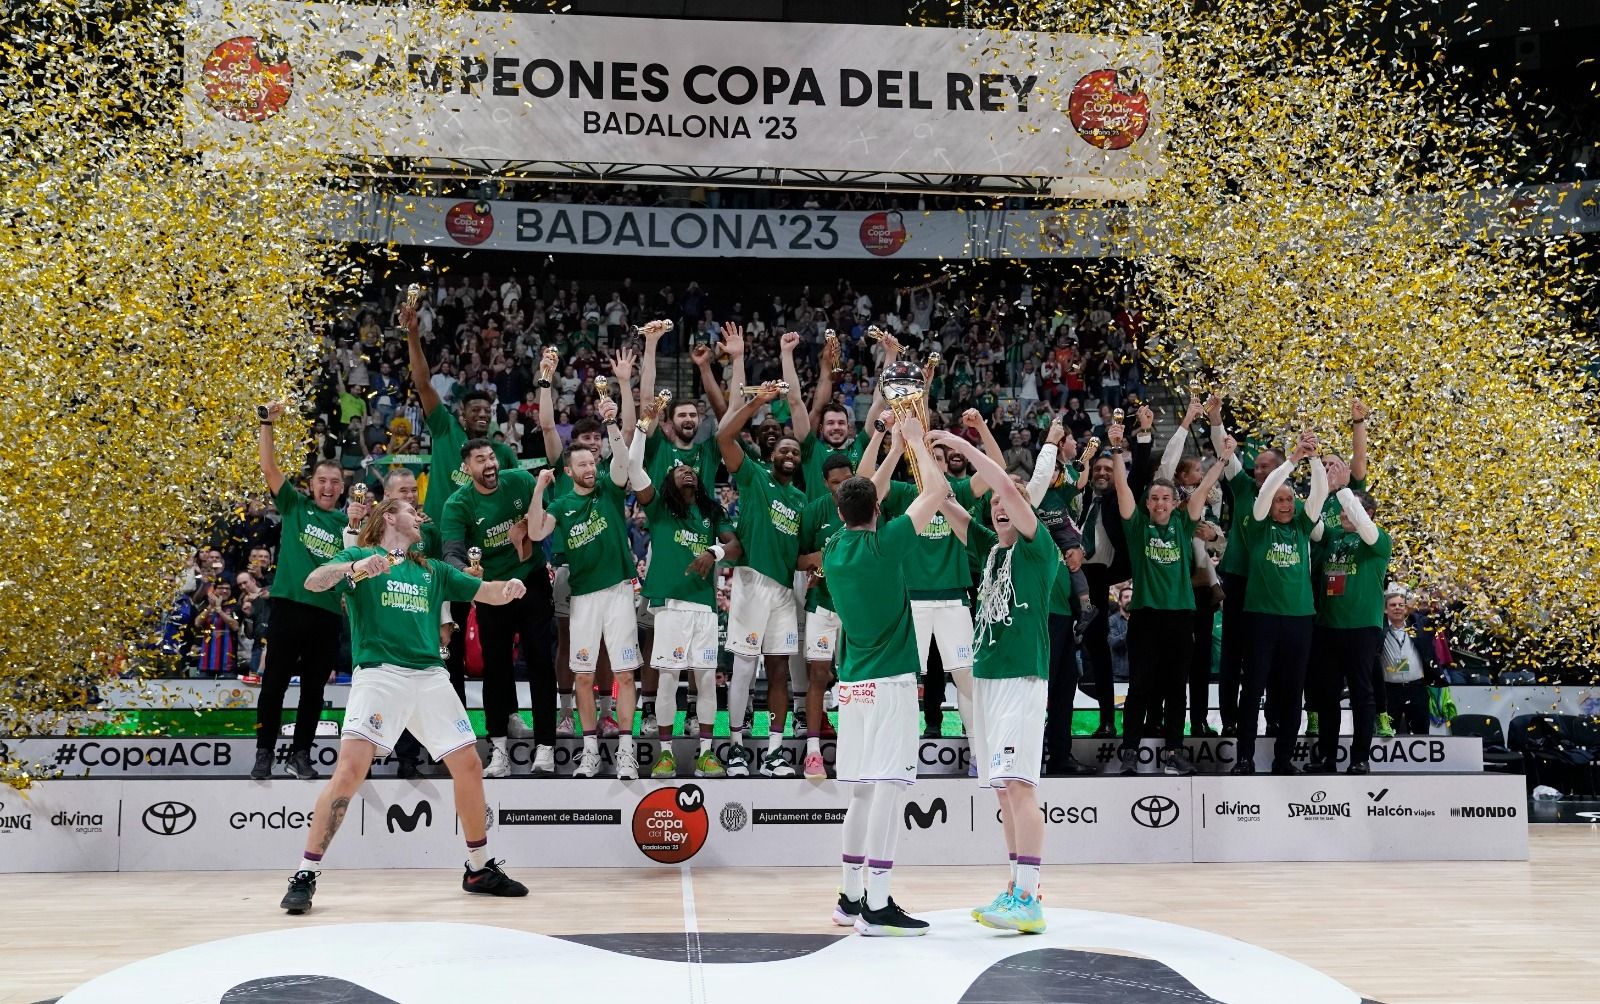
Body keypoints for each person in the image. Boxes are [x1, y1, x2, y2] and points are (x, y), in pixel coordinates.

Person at [280, 497, 528, 915]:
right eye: (411, 511)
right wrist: (354, 568)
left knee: (468, 764)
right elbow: (314, 581)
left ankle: (479, 869)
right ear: (389, 517)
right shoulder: (359, 557)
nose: (419, 517)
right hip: (380, 674)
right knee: (349, 771)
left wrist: (509, 589)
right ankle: (305, 873)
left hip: (430, 676)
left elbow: (487, 591)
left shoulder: (432, 569)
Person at [926, 428, 1054, 935]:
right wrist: (917, 447)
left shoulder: (1037, 547)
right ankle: (1016, 886)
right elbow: (944, 502)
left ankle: (1029, 897)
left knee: (1020, 787)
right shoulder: (991, 549)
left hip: (1022, 677)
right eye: (997, 503)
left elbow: (1001, 483)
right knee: (1004, 792)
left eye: (1010, 500)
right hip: (989, 680)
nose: (1001, 505)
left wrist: (963, 445)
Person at [822, 415, 945, 937]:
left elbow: (866, 494)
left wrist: (891, 449)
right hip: (890, 684)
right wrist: (915, 442)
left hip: (852, 685)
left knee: (861, 794)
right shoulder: (886, 543)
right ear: (877, 509)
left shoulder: (834, 550)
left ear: (841, 512)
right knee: (889, 790)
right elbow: (936, 492)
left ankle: (850, 898)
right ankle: (877, 904)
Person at [527, 395, 644, 779]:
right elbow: (534, 532)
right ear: (569, 470)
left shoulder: (609, 489)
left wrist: (611, 424)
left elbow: (623, 463)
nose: (590, 468)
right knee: (583, 675)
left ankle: (625, 750)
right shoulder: (561, 505)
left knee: (624, 674)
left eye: (593, 462)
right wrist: (539, 489)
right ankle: (590, 750)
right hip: (582, 597)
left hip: (618, 592)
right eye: (582, 464)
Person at [1109, 419, 1233, 776]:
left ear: (1175, 501)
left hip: (1180, 616)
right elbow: (1122, 488)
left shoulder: (1183, 524)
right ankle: (1129, 752)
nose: (1160, 503)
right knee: (1140, 686)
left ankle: (1174, 752)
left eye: (1166, 498)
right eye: (1155, 498)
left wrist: (1223, 459)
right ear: (1147, 503)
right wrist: (1116, 449)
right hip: (1146, 615)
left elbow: (1203, 487)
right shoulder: (1137, 527)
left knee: (1177, 688)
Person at [440, 439, 558, 778]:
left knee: (540, 661)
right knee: (495, 668)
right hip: (492, 591)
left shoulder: (519, 480)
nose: (489, 464)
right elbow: (451, 552)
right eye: (480, 460)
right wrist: (465, 572)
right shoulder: (458, 504)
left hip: (531, 580)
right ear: (467, 469)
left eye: (491, 457)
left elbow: (547, 515)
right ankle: (499, 750)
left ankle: (546, 747)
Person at [251, 402, 351, 781]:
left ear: (342, 488)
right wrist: (266, 423)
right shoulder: (295, 505)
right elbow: (268, 467)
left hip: (327, 614)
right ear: (311, 484)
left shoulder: (348, 526)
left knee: (313, 691)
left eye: (335, 482)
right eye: (322, 481)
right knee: (273, 684)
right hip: (289, 607)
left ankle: (301, 755)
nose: (328, 487)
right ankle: (264, 753)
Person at [717, 380, 807, 777]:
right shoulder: (753, 476)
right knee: (742, 668)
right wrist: (757, 402)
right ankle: (736, 747)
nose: (789, 454)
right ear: (772, 454)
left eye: (795, 452)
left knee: (779, 671)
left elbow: (800, 555)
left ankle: (773, 751)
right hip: (753, 581)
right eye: (784, 449)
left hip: (784, 592)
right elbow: (724, 436)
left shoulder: (801, 501)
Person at [1232, 432, 1328, 775]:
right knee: (1253, 689)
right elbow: (1267, 490)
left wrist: (1313, 457)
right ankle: (1244, 758)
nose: (1285, 504)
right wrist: (1291, 460)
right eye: (1279, 500)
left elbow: (1319, 494)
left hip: (1300, 619)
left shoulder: (1302, 526)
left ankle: (1283, 759)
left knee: (1292, 692)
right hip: (1261, 617)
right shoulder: (1258, 526)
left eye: (1289, 499)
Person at [640, 458, 742, 779]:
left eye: (693, 470)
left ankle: (707, 754)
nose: (688, 472)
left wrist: (714, 552)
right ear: (668, 480)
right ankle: (665, 755)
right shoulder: (659, 508)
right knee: (669, 679)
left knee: (707, 679)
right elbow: (636, 473)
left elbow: (735, 545)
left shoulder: (711, 512)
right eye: (680, 470)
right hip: (671, 605)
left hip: (704, 607)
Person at [1307, 457, 1392, 774]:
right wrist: (1320, 478)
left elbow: (1362, 523)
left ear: (1368, 513)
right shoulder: (1333, 536)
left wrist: (1344, 490)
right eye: (1342, 509)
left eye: (1349, 510)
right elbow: (1311, 521)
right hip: (1328, 627)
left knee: (1361, 694)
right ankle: (1328, 757)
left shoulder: (1378, 540)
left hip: (1362, 629)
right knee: (1327, 695)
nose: (1342, 514)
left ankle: (1360, 758)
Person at [1207, 394, 1284, 735]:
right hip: (1239, 579)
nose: (1259, 470)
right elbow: (1224, 450)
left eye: (1267, 466)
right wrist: (1215, 418)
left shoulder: (1290, 502)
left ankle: (1274, 718)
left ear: (1282, 470)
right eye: (1258, 465)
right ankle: (1230, 720)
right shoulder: (1242, 487)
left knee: (1270, 654)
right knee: (1233, 653)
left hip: (1273, 585)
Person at [1076, 408, 1154, 736]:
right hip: (1067, 577)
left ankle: (1107, 720)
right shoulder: (1079, 496)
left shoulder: (1117, 500)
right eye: (1099, 468)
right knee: (1064, 649)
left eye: (1109, 469)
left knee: (1099, 651)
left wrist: (1143, 434)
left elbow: (1138, 475)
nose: (1103, 473)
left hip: (1099, 578)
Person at [796, 454, 856, 780]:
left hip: (855, 607)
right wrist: (816, 559)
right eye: (836, 483)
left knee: (854, 678)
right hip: (821, 605)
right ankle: (813, 752)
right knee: (818, 675)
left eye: (847, 480)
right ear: (825, 483)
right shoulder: (814, 512)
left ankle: (853, 747)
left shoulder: (866, 506)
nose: (842, 487)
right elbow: (797, 558)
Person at [1381, 587, 1435, 734]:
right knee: (1388, 735)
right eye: (1393, 605)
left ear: (1406, 608)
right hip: (1390, 691)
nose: (1397, 608)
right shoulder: (1380, 630)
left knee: (1421, 733)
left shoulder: (1418, 625)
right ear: (1385, 610)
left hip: (1416, 688)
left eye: (1401, 605)